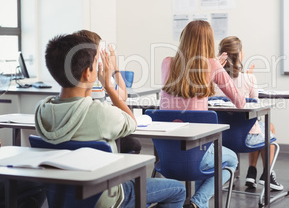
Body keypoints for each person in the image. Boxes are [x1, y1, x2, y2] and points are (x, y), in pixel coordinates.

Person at [35, 34, 186, 207]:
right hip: (105, 197)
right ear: (87, 72)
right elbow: (131, 122)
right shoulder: (102, 114)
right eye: (95, 64)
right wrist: (108, 85)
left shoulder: (42, 110)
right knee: (177, 190)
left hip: (60, 196)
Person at [160, 20, 245, 208]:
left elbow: (184, 79)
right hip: (197, 155)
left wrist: (214, 66)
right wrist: (217, 68)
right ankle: (197, 202)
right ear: (208, 41)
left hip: (166, 158)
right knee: (231, 161)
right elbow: (240, 101)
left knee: (207, 157)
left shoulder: (167, 63)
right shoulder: (213, 65)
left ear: (184, 38)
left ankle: (198, 203)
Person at [214, 36, 283, 191]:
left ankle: (252, 172)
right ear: (240, 54)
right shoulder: (249, 78)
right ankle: (268, 174)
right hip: (245, 139)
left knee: (260, 126)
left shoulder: (211, 79)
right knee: (267, 127)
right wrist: (248, 78)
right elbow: (255, 108)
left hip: (219, 139)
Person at [73, 29, 142, 154]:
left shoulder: (70, 79)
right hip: (98, 135)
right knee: (134, 143)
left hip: (77, 142)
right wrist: (114, 68)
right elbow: (123, 96)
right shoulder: (98, 78)